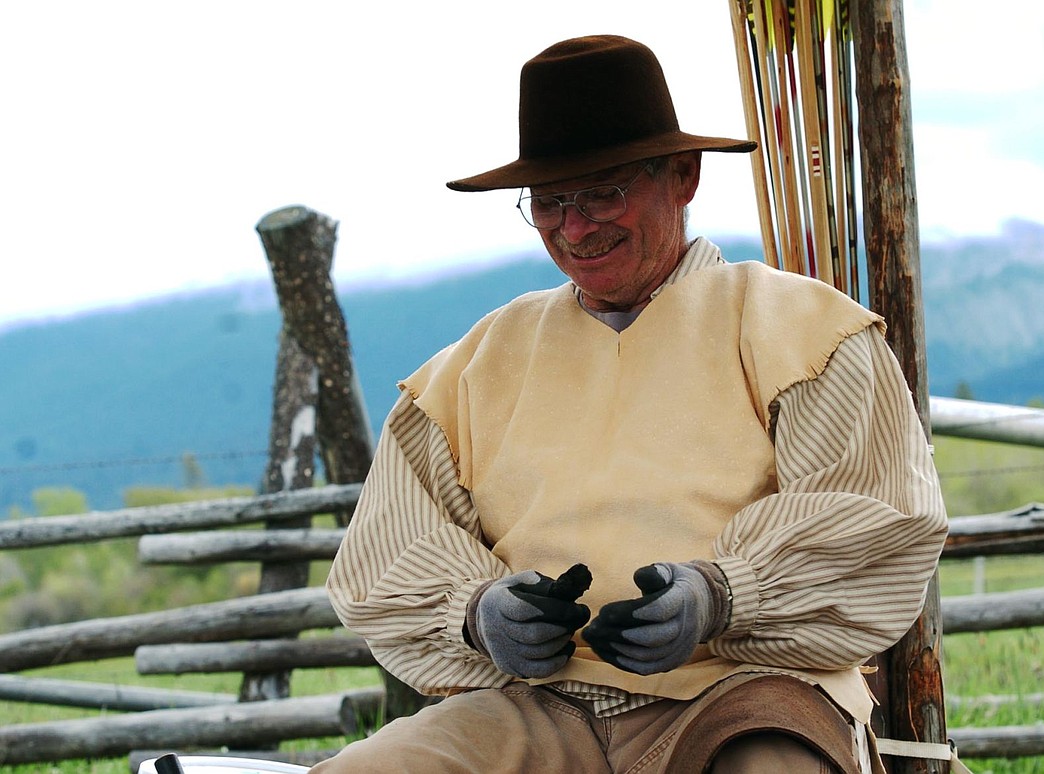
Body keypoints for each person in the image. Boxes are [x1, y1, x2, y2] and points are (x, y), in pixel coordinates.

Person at [311, 34, 948, 774]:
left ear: (683, 176)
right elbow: (384, 559)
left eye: (603, 192)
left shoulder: (802, 332)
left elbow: (880, 523)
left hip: (743, 691)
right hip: (539, 704)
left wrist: (720, 597)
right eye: (549, 202)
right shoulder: (471, 369)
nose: (574, 228)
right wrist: (479, 614)